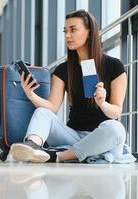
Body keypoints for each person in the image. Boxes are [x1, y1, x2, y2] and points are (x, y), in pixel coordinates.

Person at [10, 10, 127, 163]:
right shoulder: (63, 69)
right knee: (42, 112)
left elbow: (116, 112)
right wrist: (31, 94)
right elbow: (52, 107)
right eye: (65, 31)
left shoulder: (114, 66)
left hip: (102, 137)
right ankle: (33, 146)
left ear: (89, 33)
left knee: (116, 129)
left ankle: (58, 156)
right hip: (73, 136)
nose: (67, 36)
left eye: (73, 30)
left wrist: (103, 103)